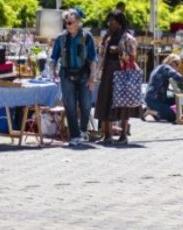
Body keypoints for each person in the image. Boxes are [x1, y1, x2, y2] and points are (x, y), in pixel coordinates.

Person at [51, 9, 97, 145]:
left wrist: (92, 77)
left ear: (78, 22)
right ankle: (75, 135)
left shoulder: (87, 37)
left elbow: (93, 59)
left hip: (84, 75)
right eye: (66, 23)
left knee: (86, 104)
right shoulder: (61, 38)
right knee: (70, 105)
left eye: (70, 22)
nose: (67, 25)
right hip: (66, 74)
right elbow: (54, 57)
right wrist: (53, 70)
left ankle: (83, 131)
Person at [93, 9, 139, 143]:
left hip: (122, 74)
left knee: (122, 104)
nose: (110, 25)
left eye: (112, 23)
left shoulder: (128, 38)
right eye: (109, 23)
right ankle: (106, 135)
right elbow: (102, 54)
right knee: (105, 101)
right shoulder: (108, 37)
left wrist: (120, 51)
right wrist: (103, 42)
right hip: (107, 72)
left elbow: (131, 58)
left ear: (120, 23)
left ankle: (123, 135)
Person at [144, 53, 183, 123]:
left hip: (158, 98)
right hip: (154, 99)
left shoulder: (160, 68)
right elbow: (179, 77)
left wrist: (178, 91)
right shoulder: (165, 67)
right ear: (171, 62)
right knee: (174, 116)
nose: (178, 67)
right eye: (177, 64)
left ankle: (156, 112)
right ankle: (150, 112)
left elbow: (167, 85)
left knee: (176, 100)